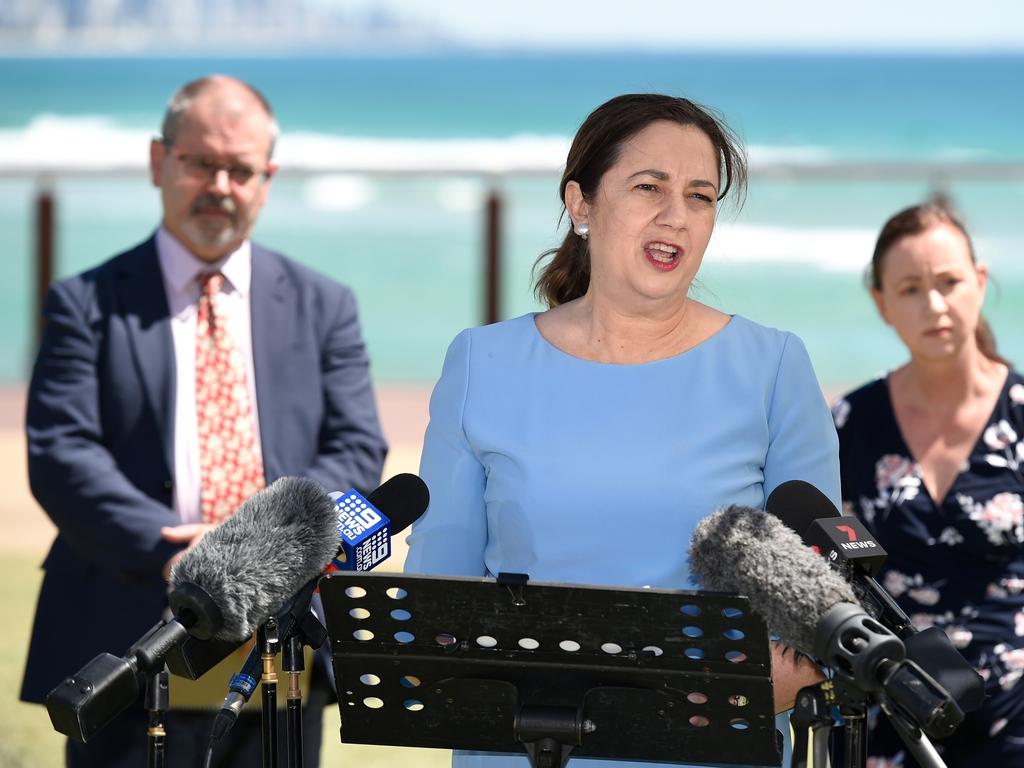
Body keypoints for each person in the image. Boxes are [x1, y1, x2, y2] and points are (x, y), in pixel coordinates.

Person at [405, 93, 841, 768]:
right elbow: (438, 604)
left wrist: (749, 687)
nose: (677, 216)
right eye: (649, 187)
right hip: (518, 753)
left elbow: (815, 610)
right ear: (581, 204)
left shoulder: (774, 367)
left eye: (700, 196)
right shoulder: (480, 363)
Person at [20, 75, 388, 767]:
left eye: (241, 169)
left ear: (267, 179)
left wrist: (256, 554)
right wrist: (173, 552)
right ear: (161, 162)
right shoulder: (85, 303)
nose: (220, 184)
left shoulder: (324, 304)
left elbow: (356, 447)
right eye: (200, 163)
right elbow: (63, 452)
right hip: (125, 639)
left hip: (279, 652)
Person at [833, 202, 1023, 765]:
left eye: (949, 282)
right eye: (911, 288)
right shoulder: (850, 425)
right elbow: (832, 569)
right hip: (897, 708)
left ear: (980, 282)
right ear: (882, 303)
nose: (934, 305)